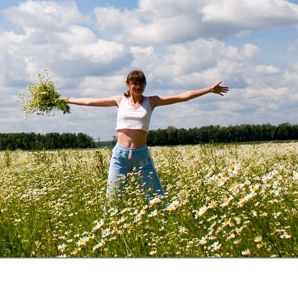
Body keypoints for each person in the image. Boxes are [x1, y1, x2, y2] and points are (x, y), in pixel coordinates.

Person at [59, 70, 228, 200]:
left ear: (145, 85)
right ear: (128, 84)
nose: (138, 87)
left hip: (141, 155)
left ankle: (164, 226)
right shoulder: (119, 100)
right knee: (113, 198)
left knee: (156, 198)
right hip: (120, 155)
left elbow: (182, 97)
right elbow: (89, 101)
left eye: (141, 84)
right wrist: (65, 100)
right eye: (134, 84)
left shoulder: (151, 101)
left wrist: (209, 90)